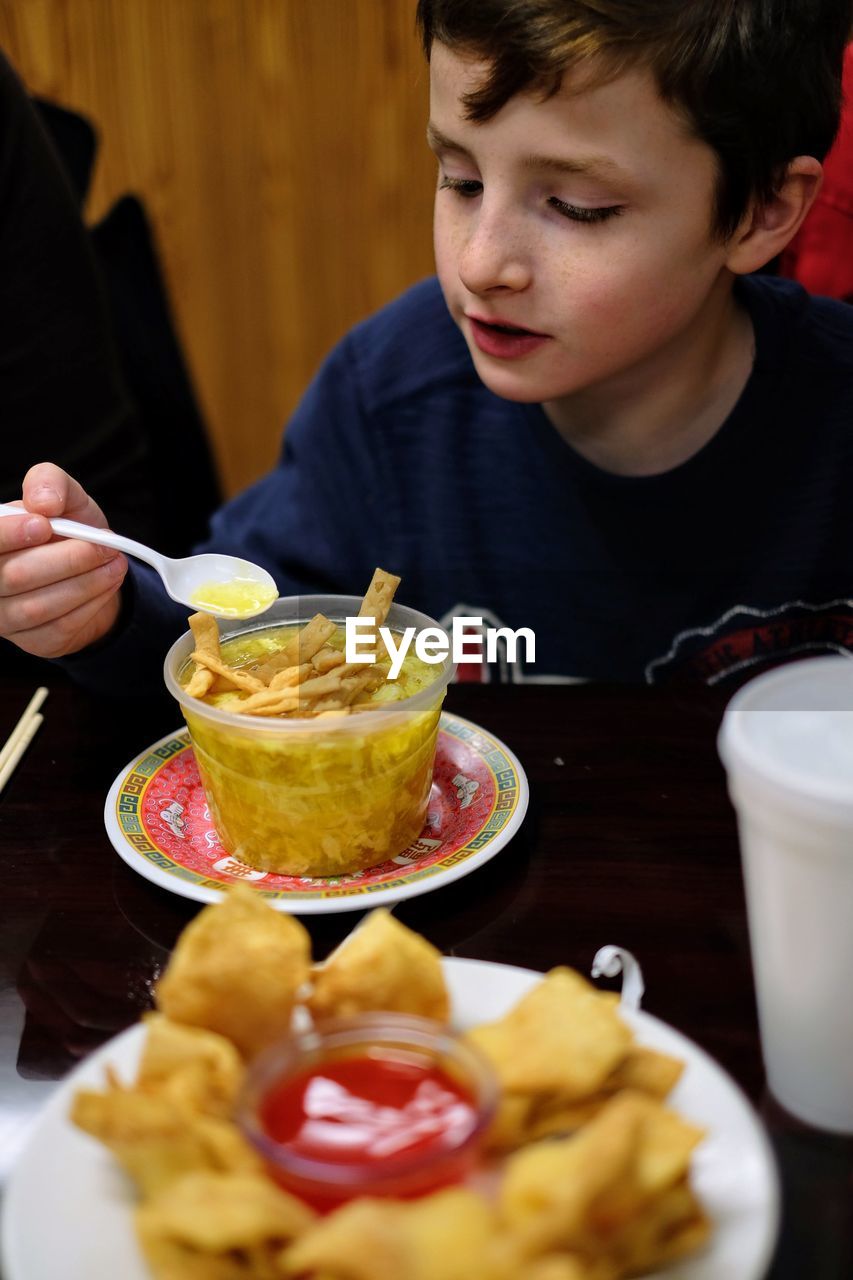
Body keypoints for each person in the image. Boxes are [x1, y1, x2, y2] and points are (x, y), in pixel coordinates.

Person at [2, 0, 853, 690]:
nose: (481, 263)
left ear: (762, 212)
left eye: (577, 207)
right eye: (461, 180)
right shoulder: (389, 399)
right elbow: (235, 640)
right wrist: (102, 610)